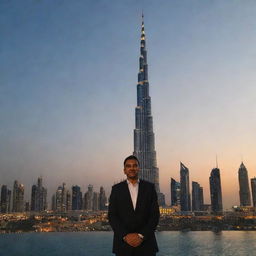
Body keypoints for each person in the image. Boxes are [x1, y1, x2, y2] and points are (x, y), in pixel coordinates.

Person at [108, 155, 160, 256]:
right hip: (123, 245)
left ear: (138, 169)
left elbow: (155, 215)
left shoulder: (149, 188)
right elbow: (112, 216)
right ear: (124, 170)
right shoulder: (116, 189)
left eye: (135, 165)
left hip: (147, 245)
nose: (132, 168)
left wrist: (141, 235)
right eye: (128, 166)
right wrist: (125, 236)